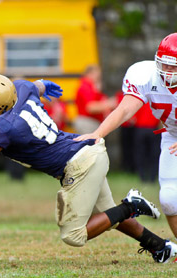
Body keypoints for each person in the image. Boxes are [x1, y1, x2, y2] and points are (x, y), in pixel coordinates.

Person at [0, 74, 177, 263]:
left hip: (79, 164)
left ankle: (132, 204)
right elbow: (38, 86)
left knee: (74, 235)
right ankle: (160, 247)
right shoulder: (19, 88)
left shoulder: (3, 129)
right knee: (107, 215)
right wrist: (45, 84)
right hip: (86, 152)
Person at [75, 33, 177, 240]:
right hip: (172, 135)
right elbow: (124, 110)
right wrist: (97, 134)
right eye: (163, 65)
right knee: (169, 198)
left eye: (173, 66)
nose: (167, 71)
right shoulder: (145, 75)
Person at [73, 65, 117, 134]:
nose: (99, 79)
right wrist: (110, 103)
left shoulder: (91, 87)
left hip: (91, 122)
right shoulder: (86, 87)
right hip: (88, 122)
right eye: (98, 76)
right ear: (90, 74)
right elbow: (91, 107)